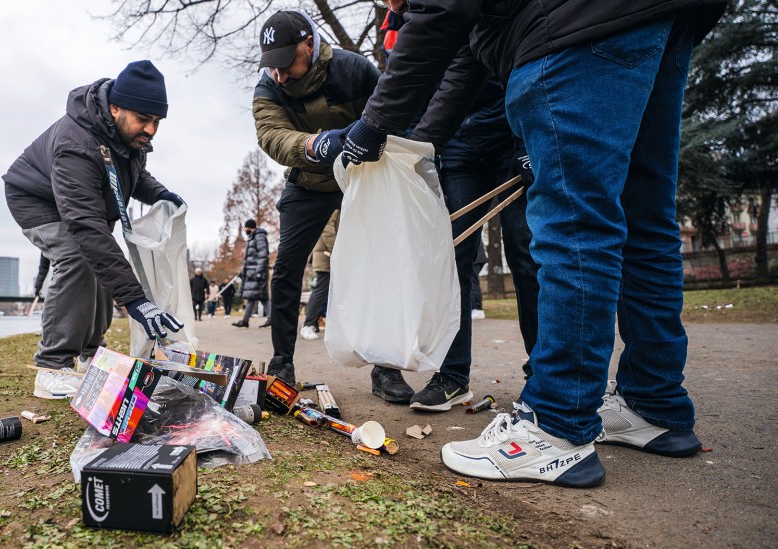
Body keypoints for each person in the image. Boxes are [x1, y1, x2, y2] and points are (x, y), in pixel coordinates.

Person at [333, 0, 724, 487]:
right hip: (659, 19)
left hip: (574, 28)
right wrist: (412, 148)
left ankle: (555, 426)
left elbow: (445, 9)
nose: (396, 7)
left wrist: (374, 124)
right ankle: (654, 403)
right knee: (645, 220)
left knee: (575, 226)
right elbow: (463, 67)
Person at [252, 9, 414, 404]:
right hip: (308, 181)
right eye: (272, 66)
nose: (280, 75)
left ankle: (386, 367)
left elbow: (393, 113)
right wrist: (313, 144)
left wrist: (376, 140)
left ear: (309, 43)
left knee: (379, 264)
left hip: (363, 179)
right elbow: (271, 135)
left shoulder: (354, 69)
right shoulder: (268, 87)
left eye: (287, 62)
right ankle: (281, 361)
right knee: (288, 264)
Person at [3, 60, 186, 400]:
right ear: (115, 107)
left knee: (101, 259)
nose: (150, 130)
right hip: (35, 198)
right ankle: (52, 366)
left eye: (157, 121)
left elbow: (135, 175)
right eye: (143, 120)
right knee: (77, 256)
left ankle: (91, 354)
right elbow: (85, 226)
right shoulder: (77, 143)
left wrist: (159, 193)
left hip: (84, 202)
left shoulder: (126, 137)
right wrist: (135, 300)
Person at [406, 81, 540, 412]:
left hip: (510, 131)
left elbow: (527, 60)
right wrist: (418, 147)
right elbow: (416, 82)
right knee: (453, 258)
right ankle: (452, 377)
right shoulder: (413, 30)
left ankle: (544, 375)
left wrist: (528, 140)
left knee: (525, 253)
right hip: (457, 144)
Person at [300, 209, 338, 341]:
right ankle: (308, 325)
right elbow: (327, 229)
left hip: (327, 255)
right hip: (327, 255)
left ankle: (314, 323)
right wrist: (337, 249)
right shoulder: (335, 206)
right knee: (321, 290)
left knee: (328, 291)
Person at [232, 219, 271, 328]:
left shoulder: (259, 237)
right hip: (252, 273)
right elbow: (251, 259)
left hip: (257, 274)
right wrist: (243, 272)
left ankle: (272, 319)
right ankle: (245, 320)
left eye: (245, 228)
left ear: (249, 227)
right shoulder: (253, 237)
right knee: (253, 297)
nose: (245, 230)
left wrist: (258, 272)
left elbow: (263, 255)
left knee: (263, 298)